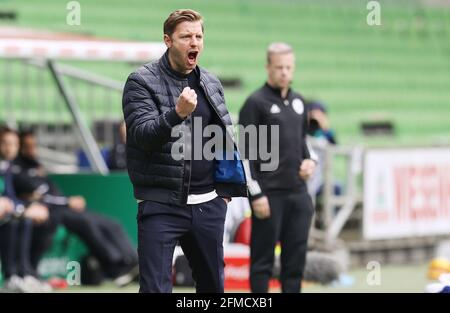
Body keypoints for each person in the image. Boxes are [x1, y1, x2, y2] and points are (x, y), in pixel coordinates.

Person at [122, 9, 247, 293]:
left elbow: (222, 137)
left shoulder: (211, 82)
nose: (194, 43)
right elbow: (142, 137)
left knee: (213, 288)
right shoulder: (140, 81)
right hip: (162, 204)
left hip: (208, 205)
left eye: (199, 36)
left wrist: (223, 193)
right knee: (155, 289)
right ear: (168, 40)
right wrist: (176, 114)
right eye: (186, 37)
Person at [12, 130, 139, 287]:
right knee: (87, 223)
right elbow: (41, 197)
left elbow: (50, 191)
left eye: (34, 146)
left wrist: (66, 202)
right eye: (27, 146)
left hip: (62, 207)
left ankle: (133, 261)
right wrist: (67, 201)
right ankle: (116, 266)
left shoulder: (36, 166)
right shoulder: (17, 168)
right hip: (52, 211)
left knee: (110, 223)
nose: (32, 150)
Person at [239, 42, 317, 293]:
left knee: (294, 264)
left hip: (298, 194)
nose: (284, 72)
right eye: (279, 67)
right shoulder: (255, 103)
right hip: (269, 197)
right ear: (268, 68)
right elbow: (244, 154)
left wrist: (310, 161)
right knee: (262, 263)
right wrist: (256, 194)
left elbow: (304, 143)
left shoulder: (299, 101)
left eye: (289, 67)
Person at [0, 127, 51, 292]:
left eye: (14, 144)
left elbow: (10, 198)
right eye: (5, 143)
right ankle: (11, 276)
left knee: (24, 220)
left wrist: (25, 207)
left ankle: (24, 274)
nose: (9, 148)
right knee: (14, 221)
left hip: (7, 215)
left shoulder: (7, 168)